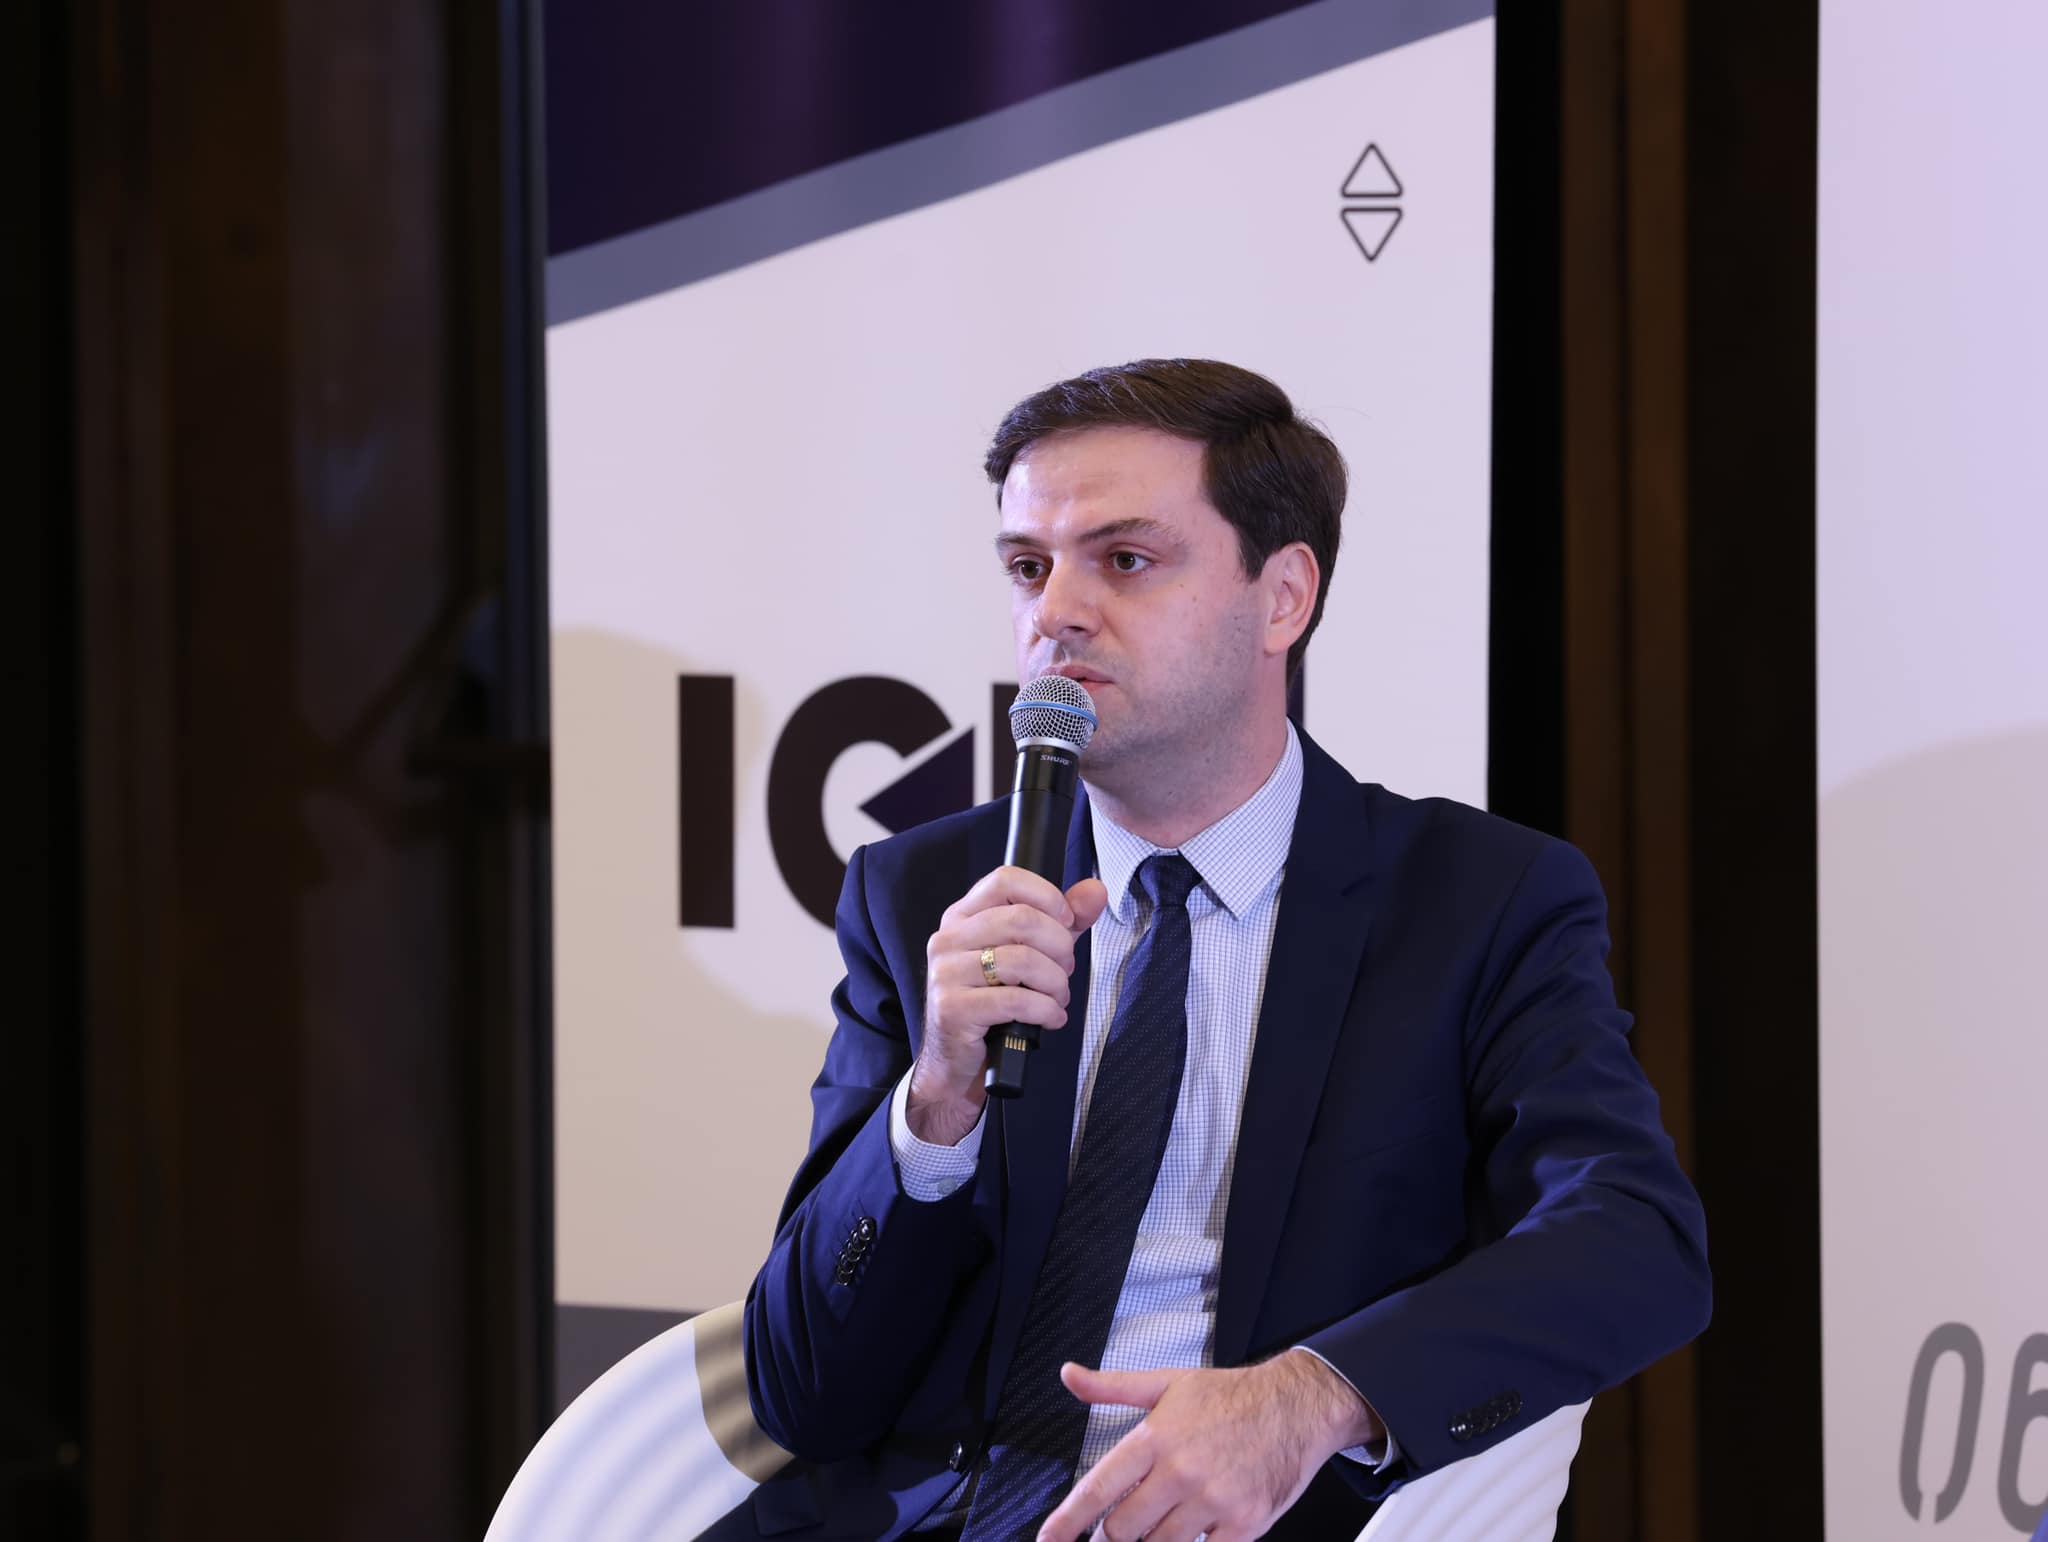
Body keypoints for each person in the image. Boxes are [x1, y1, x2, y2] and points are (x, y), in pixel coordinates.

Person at [734, 359, 1710, 1542]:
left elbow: (1632, 1239)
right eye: (1028, 568)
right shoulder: (925, 896)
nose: (1054, 613)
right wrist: (934, 1105)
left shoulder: (1476, 903)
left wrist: (1308, 1398)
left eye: (1123, 561)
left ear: (1281, 598)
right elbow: (800, 1392)